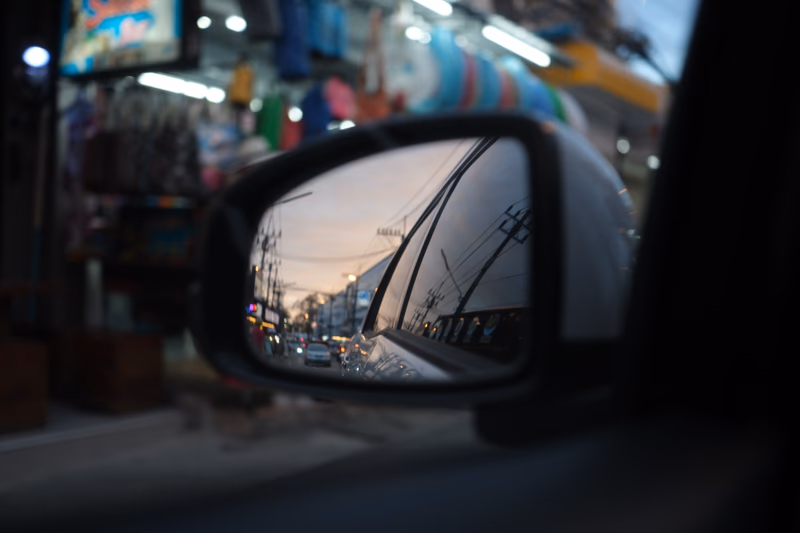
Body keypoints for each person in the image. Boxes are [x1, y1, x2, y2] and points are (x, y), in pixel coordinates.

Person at [227, 52, 254, 131]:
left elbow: (249, 86)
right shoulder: (237, 70)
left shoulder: (247, 72)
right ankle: (235, 129)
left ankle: (239, 130)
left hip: (242, 98)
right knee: (235, 116)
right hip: (236, 98)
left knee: (239, 117)